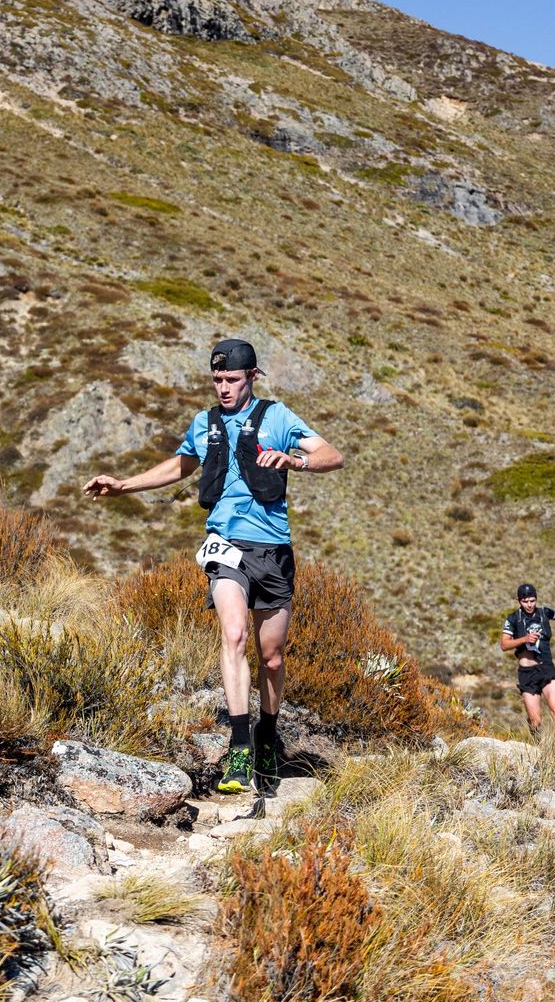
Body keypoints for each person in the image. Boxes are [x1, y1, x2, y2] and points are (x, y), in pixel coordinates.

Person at [83, 338, 343, 793]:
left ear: (252, 377)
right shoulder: (204, 424)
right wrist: (124, 485)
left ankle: (267, 733)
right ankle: (239, 747)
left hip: (273, 550)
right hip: (225, 546)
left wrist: (295, 460)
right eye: (217, 379)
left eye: (232, 379)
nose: (223, 388)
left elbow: (332, 456)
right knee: (234, 634)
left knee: (272, 657)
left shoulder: (278, 417)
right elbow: (180, 466)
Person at [500, 583, 555, 750]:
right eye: (525, 602)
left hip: (546, 667)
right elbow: (504, 644)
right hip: (527, 673)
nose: (529, 605)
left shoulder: (545, 613)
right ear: (518, 601)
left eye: (532, 600)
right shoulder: (513, 619)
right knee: (535, 721)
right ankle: (540, 748)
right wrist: (524, 639)